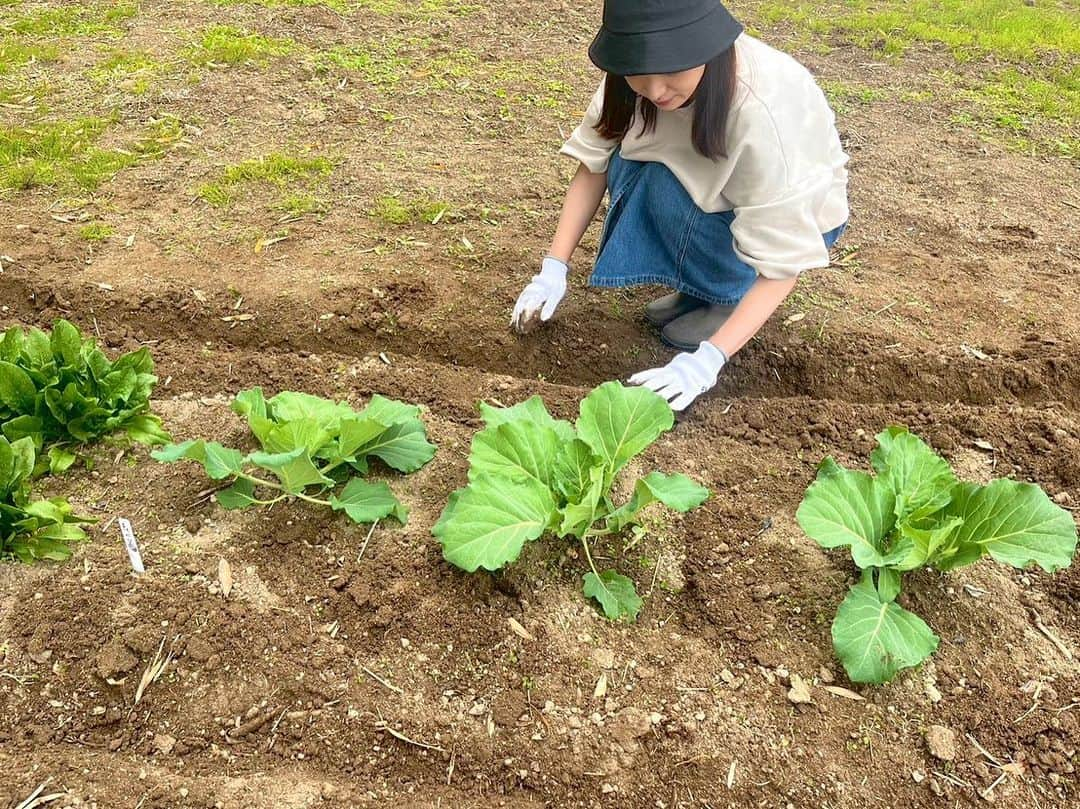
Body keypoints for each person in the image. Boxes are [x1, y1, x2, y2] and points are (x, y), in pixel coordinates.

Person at [510, 0, 849, 411]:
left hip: (792, 221)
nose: (654, 91)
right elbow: (593, 166)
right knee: (631, 168)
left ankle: (727, 298)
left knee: (662, 186)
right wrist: (553, 268)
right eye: (639, 72)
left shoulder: (762, 110)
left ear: (706, 47)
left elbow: (783, 264)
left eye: (671, 70)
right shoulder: (631, 79)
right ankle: (702, 290)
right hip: (708, 196)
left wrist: (707, 361)